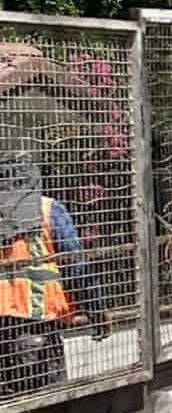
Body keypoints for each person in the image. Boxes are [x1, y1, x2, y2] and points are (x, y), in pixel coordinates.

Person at [0, 162, 107, 396]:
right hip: (38, 318)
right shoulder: (49, 209)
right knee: (51, 398)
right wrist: (96, 312)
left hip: (4, 322)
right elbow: (77, 265)